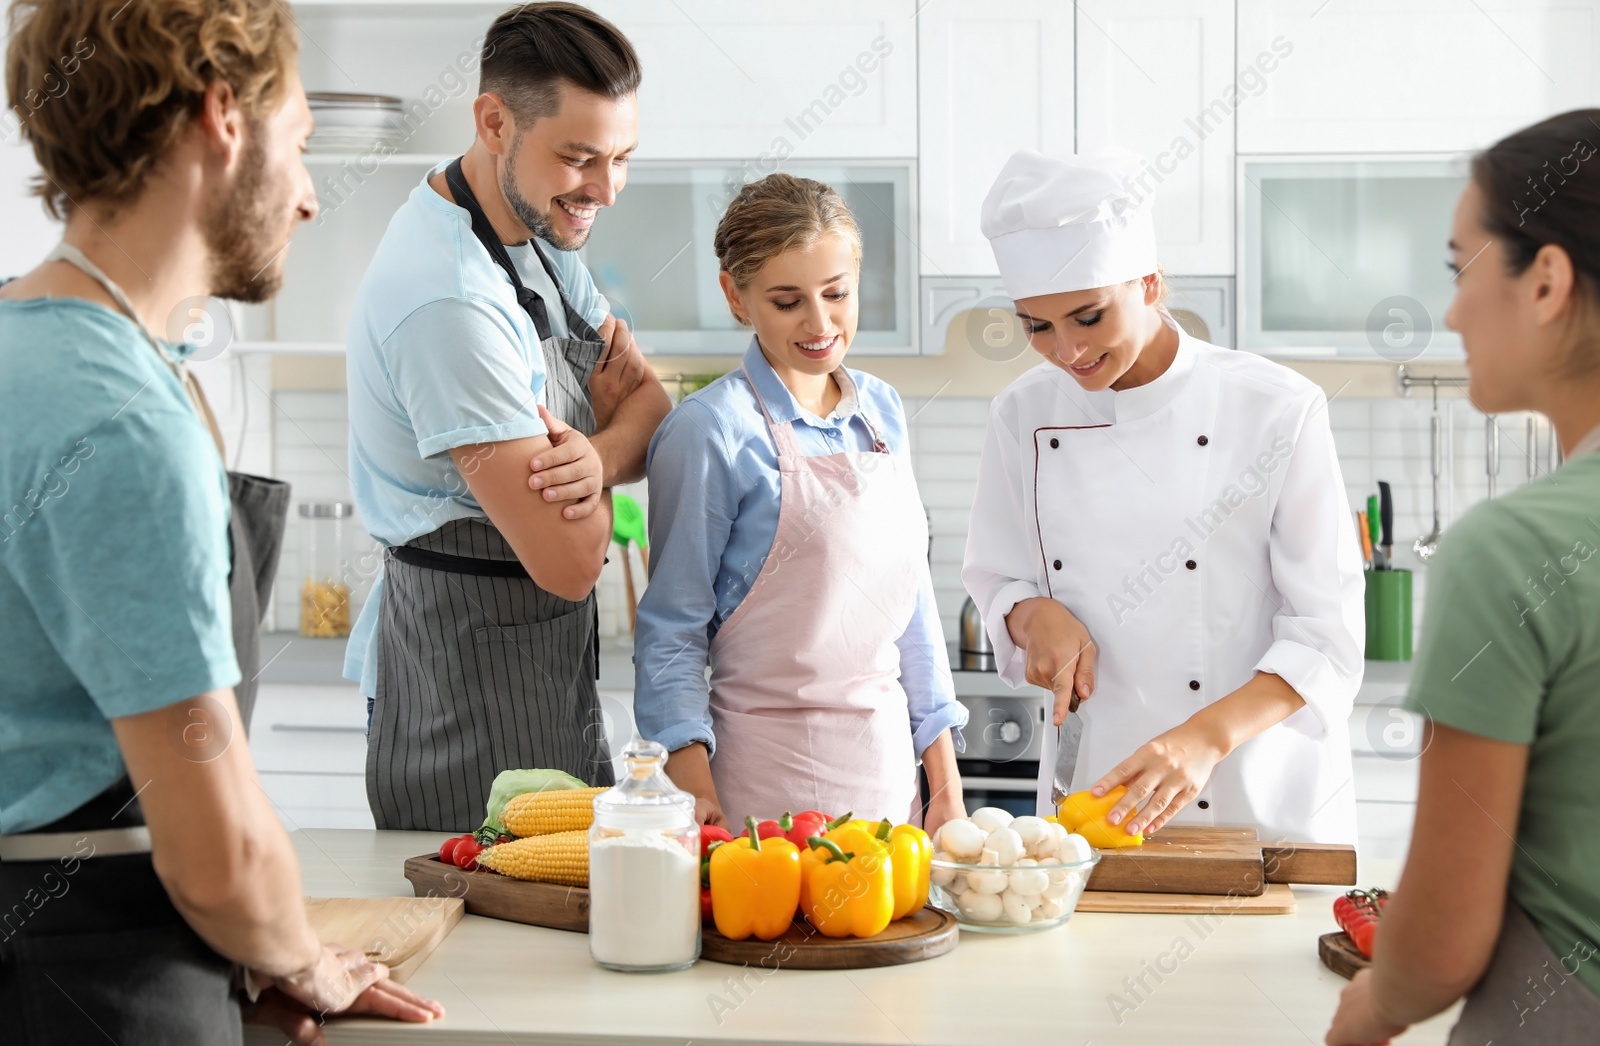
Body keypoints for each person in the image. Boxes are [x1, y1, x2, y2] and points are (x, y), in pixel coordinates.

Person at [0, 1, 441, 1046]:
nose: (307, 200)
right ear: (221, 119)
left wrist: (247, 938)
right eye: (300, 146)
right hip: (101, 986)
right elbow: (219, 855)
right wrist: (298, 954)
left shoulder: (34, 347)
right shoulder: (121, 418)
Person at [963, 147, 1364, 844]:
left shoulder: (1276, 409)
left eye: (1087, 317)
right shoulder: (1021, 415)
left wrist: (1202, 740)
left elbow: (1325, 639)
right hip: (1099, 794)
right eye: (1037, 325)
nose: (1066, 351)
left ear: (1149, 284)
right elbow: (999, 578)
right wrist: (1031, 616)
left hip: (1257, 794)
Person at [343, 2, 672, 832]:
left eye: (622, 158)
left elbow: (652, 405)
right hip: (464, 688)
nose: (605, 190)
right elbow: (569, 558)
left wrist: (591, 458)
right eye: (580, 158)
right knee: (479, 953)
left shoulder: (537, 234)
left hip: (539, 664)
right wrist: (611, 456)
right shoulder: (450, 298)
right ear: (494, 121)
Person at [1326, 110, 1600, 1046]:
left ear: (1548, 281)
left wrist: (1378, 1004)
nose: (1448, 312)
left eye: (1459, 268)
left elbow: (1443, 934)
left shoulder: (1516, 549)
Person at [633, 174, 968, 835]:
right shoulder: (709, 430)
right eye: (787, 302)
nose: (820, 324)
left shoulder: (882, 410)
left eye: (837, 294)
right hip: (762, 800)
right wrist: (700, 802)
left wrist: (946, 789)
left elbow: (914, 614)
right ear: (736, 296)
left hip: (888, 789)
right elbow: (672, 633)